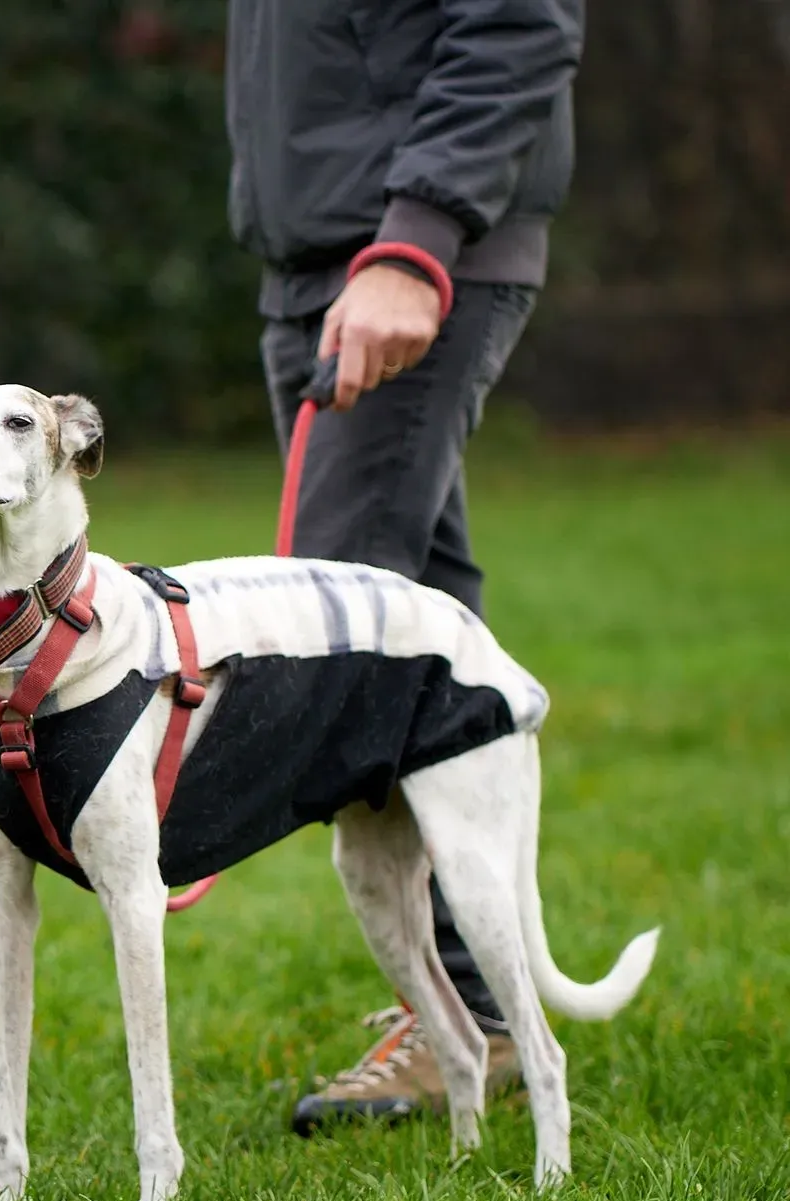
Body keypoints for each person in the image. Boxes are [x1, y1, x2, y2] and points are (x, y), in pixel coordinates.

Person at [223, 0, 585, 1132]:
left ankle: (466, 1019)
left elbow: (518, 20)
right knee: (420, 622)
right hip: (319, 256)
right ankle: (477, 1006)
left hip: (402, 256)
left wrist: (416, 239)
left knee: (354, 649)